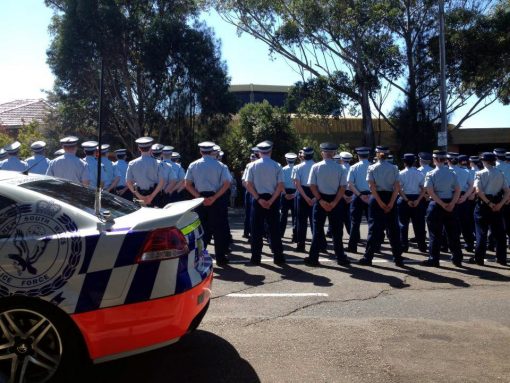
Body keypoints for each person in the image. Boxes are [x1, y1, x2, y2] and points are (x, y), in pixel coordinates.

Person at [185, 142, 231, 266]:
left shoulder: (193, 165)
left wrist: (199, 197)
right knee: (218, 230)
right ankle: (220, 258)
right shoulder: (221, 166)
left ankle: (200, 257)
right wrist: (214, 197)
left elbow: (187, 184)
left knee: (201, 230)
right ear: (212, 152)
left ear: (201, 151)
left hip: (200, 200)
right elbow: (227, 183)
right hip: (216, 199)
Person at [304, 143, 350, 267]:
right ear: (334, 153)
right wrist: (334, 202)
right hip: (336, 200)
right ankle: (340, 257)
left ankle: (313, 258)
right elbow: (343, 187)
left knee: (318, 230)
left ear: (322, 152)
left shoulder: (316, 167)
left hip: (320, 199)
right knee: (337, 231)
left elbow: (312, 186)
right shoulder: (341, 168)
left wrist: (320, 200)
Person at [359, 146, 404, 267]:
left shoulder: (372, 168)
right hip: (390, 197)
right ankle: (398, 258)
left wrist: (380, 202)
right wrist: (390, 203)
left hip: (377, 198)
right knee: (393, 229)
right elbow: (397, 187)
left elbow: (372, 187)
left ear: (377, 154)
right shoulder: (394, 168)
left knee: (374, 230)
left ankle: (368, 257)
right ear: (388, 154)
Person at [245, 141, 285, 265]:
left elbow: (248, 184)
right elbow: (280, 185)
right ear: (270, 151)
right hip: (272, 199)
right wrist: (271, 200)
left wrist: (258, 199)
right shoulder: (277, 165)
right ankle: (278, 257)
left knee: (256, 230)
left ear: (259, 152)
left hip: (258, 199)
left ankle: (256, 258)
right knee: (274, 230)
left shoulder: (252, 166)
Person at [421, 151, 464, 267]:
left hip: (436, 204)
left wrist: (441, 204)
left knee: (435, 234)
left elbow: (429, 191)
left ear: (434, 160)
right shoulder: (452, 173)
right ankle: (457, 258)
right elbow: (458, 190)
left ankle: (434, 259)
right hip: (450, 203)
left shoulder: (431, 174)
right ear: (445, 160)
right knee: (453, 233)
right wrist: (452, 204)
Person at [471, 152, 510, 266]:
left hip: (484, 205)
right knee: (499, 233)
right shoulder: (500, 173)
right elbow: (507, 191)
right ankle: (501, 258)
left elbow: (478, 190)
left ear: (483, 161)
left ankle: (479, 258)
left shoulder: (480, 173)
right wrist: (500, 204)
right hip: (497, 203)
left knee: (481, 233)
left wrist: (488, 203)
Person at [397, 154, 427, 253]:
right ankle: (422, 246)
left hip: (405, 199)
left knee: (403, 224)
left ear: (404, 162)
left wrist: (407, 200)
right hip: (417, 198)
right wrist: (418, 200)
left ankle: (403, 246)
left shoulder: (400, 174)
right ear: (414, 162)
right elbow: (424, 189)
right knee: (419, 224)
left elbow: (399, 190)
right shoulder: (420, 173)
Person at [126, 137, 164, 207]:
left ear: (139, 148)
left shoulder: (132, 163)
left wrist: (139, 196)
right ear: (151, 148)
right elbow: (161, 182)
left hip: (139, 194)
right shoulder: (158, 163)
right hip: (155, 195)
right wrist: (151, 197)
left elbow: (128, 182)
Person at [346, 147, 371, 253]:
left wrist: (360, 195)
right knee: (372, 222)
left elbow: (350, 184)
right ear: (368, 155)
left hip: (357, 196)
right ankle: (374, 246)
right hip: (371, 196)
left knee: (355, 222)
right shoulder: (373, 166)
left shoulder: (354, 167)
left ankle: (352, 246)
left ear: (358, 156)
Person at [293, 147, 317, 252]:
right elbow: (320, 184)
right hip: (315, 192)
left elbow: (297, 185)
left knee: (301, 221)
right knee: (315, 221)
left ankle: (301, 245)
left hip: (302, 193)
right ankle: (319, 245)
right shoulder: (317, 166)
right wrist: (315, 197)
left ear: (303, 155)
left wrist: (305, 197)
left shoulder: (297, 167)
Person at [280, 152, 298, 239]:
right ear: (295, 160)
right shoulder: (297, 168)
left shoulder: (283, 169)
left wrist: (284, 194)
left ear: (286, 160)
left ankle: (281, 233)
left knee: (283, 214)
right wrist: (295, 194)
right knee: (295, 215)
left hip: (285, 192)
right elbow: (299, 183)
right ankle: (295, 235)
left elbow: (281, 183)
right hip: (295, 192)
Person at [242, 150, 259, 239]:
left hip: (255, 192)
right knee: (249, 213)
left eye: (254, 156)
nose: (252, 158)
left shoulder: (259, 165)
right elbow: (244, 181)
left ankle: (256, 234)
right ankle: (247, 232)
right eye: (251, 156)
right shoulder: (248, 166)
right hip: (250, 192)